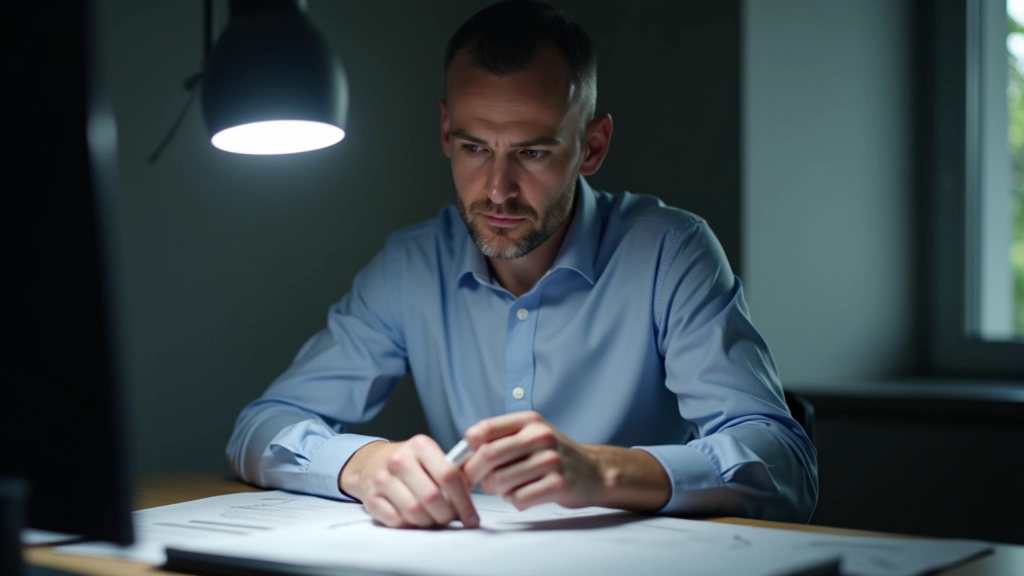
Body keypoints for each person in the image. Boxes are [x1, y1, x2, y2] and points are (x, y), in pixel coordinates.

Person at [226, 0, 818, 530]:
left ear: (592, 146)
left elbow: (786, 464)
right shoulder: (412, 267)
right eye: (475, 148)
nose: (497, 190)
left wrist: (604, 471)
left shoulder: (670, 252)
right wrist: (364, 463)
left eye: (532, 152)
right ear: (445, 131)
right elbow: (260, 427)